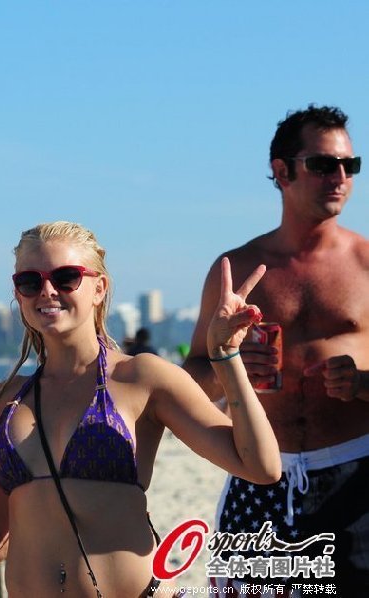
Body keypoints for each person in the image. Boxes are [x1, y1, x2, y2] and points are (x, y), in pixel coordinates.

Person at [0, 221, 281, 597]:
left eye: (65, 277)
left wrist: (226, 357)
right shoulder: (7, 397)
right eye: (29, 281)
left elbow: (260, 467)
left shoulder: (142, 377)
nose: (47, 291)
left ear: (99, 288)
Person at [184, 105, 369, 594]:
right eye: (323, 164)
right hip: (258, 480)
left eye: (350, 166)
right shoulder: (237, 269)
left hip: (355, 476)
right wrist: (229, 365)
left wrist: (363, 384)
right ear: (282, 171)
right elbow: (191, 383)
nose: (340, 178)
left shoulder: (368, 266)